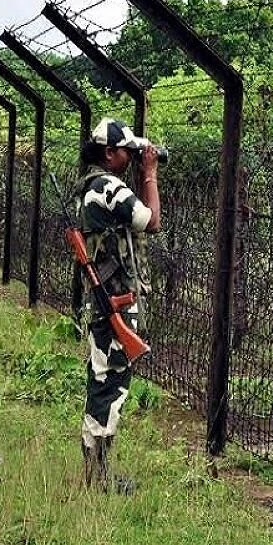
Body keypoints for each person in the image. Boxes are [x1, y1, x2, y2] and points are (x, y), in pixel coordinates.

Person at [71, 117, 161, 494]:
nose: (133, 156)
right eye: (128, 151)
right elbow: (151, 221)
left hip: (105, 299)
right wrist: (150, 174)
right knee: (112, 385)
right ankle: (99, 477)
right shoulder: (108, 186)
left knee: (102, 380)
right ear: (109, 153)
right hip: (115, 302)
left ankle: (95, 471)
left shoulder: (90, 186)